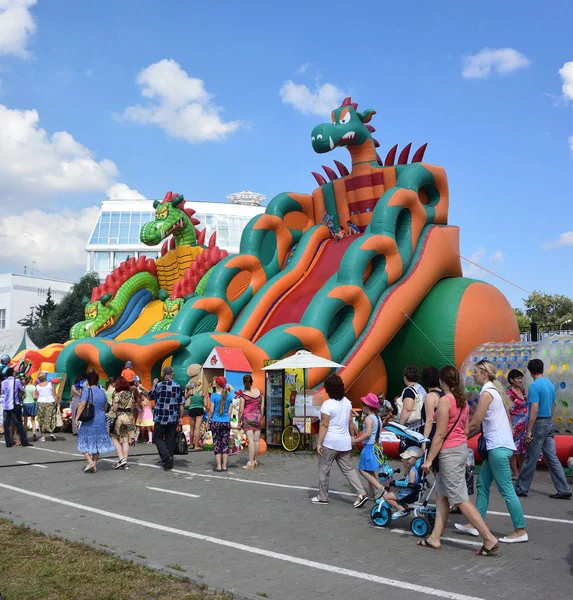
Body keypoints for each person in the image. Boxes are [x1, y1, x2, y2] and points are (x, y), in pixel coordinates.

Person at [419, 366, 499, 555]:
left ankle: (488, 538)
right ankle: (435, 537)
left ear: (442, 381)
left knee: (460, 498)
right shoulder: (462, 402)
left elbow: (440, 434)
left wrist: (429, 460)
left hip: (449, 453)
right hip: (460, 449)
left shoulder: (446, 401)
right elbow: (463, 429)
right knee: (441, 494)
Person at [455, 359, 527, 543]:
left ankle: (520, 530)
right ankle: (475, 524)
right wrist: (463, 437)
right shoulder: (494, 391)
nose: (473, 375)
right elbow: (481, 426)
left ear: (485, 374)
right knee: (482, 485)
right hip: (499, 446)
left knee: (507, 491)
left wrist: (458, 438)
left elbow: (475, 422)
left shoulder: (487, 393)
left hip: (497, 447)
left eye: (476, 372)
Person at [515, 359, 572, 500]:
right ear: (542, 369)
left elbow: (534, 409)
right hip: (548, 422)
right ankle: (564, 488)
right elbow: (553, 406)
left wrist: (529, 430)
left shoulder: (534, 387)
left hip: (538, 423)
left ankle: (521, 488)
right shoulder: (550, 384)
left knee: (530, 457)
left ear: (530, 371)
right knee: (552, 458)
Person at [312, 374, 368, 507]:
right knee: (348, 469)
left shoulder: (327, 405)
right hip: (344, 442)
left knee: (324, 468)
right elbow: (349, 422)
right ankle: (361, 492)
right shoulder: (347, 402)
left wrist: (319, 443)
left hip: (330, 442)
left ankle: (323, 496)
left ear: (328, 389)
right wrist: (351, 436)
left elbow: (324, 425)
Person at [75, 372, 115, 473]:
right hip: (101, 418)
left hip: (89, 419)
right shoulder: (102, 392)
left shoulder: (86, 391)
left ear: (88, 381)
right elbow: (106, 407)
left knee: (83, 440)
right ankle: (95, 463)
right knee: (97, 442)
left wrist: (76, 418)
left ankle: (90, 462)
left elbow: (82, 404)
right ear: (97, 381)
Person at [149, 366, 184, 471]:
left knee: (157, 438)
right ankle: (169, 460)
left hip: (161, 417)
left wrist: (154, 385)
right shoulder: (178, 386)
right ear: (172, 374)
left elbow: (150, 396)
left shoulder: (159, 385)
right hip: (173, 417)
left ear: (164, 375)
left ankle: (166, 457)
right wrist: (181, 417)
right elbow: (181, 404)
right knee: (170, 439)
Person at [352, 393, 384, 499]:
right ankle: (372, 493)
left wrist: (355, 441)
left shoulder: (368, 419)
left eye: (362, 405)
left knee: (362, 470)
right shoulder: (378, 418)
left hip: (369, 447)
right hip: (377, 446)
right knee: (370, 470)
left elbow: (367, 433)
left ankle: (379, 487)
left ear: (366, 406)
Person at [383, 446, 423, 519]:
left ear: (416, 459)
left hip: (407, 492)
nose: (406, 461)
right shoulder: (416, 470)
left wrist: (397, 484)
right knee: (395, 490)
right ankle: (404, 506)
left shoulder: (412, 471)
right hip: (412, 492)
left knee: (386, 497)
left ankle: (402, 510)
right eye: (405, 459)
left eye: (409, 459)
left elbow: (411, 483)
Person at [109, 375, 136, 469]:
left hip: (120, 417)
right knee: (125, 440)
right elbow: (132, 407)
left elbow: (115, 409)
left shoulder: (117, 394)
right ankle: (125, 461)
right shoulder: (130, 394)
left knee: (114, 437)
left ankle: (121, 459)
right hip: (129, 417)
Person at [238, 374, 265, 470]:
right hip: (257, 416)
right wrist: (261, 416)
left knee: (251, 440)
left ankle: (250, 462)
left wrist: (239, 421)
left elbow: (241, 410)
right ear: (252, 381)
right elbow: (262, 406)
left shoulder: (244, 395)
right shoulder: (259, 392)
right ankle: (255, 460)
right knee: (257, 440)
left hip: (247, 417)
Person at [1, 367, 32, 448]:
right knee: (19, 423)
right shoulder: (17, 381)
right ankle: (24, 441)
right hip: (15, 404)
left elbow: (2, 391)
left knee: (6, 424)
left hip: (6, 405)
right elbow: (21, 389)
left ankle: (8, 442)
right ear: (13, 373)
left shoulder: (4, 382)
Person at [506, 369, 528, 479]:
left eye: (521, 378)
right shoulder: (509, 393)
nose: (520, 380)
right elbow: (507, 410)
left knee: (523, 449)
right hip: (515, 424)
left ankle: (522, 471)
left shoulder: (522, 391)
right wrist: (510, 425)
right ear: (511, 380)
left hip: (525, 424)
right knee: (514, 449)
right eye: (518, 378)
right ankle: (515, 472)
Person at [208, 376, 233, 472]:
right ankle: (224, 466)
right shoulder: (230, 396)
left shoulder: (214, 396)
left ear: (217, 384)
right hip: (226, 421)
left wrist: (208, 421)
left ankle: (218, 466)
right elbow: (230, 413)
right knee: (225, 443)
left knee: (217, 443)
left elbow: (211, 411)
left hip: (216, 421)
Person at [396, 366, 426, 444]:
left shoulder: (409, 391)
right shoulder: (421, 388)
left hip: (412, 429)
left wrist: (400, 427)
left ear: (405, 378)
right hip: (422, 424)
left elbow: (407, 409)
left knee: (409, 453)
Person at [420, 366, 444, 451]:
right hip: (443, 432)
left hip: (433, 433)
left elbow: (429, 420)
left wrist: (424, 441)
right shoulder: (443, 394)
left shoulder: (430, 397)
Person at [185, 364, 206, 451]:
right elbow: (205, 404)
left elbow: (185, 398)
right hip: (200, 409)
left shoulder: (191, 391)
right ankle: (196, 445)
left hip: (192, 409)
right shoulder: (202, 393)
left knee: (192, 427)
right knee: (198, 428)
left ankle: (190, 445)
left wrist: (186, 390)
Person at [35, 372, 58, 442]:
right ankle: (51, 432)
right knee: (51, 417)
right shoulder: (50, 384)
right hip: (50, 402)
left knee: (41, 418)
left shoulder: (37, 386)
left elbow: (36, 396)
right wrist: (57, 402)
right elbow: (54, 394)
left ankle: (43, 436)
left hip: (41, 402)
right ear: (45, 377)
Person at [22, 375, 38, 440]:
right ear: (31, 380)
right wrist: (37, 397)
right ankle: (34, 432)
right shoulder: (33, 387)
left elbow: (22, 396)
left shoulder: (24, 387)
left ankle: (25, 435)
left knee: (25, 420)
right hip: (31, 403)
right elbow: (34, 397)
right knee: (33, 420)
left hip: (25, 403)